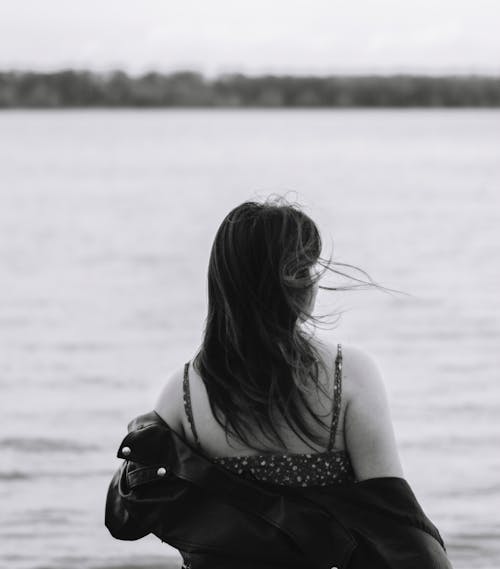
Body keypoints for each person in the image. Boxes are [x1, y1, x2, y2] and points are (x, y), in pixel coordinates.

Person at [105, 197, 453, 569]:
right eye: (309, 269)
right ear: (295, 284)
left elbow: (130, 514)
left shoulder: (183, 392)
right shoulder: (348, 375)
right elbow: (393, 522)